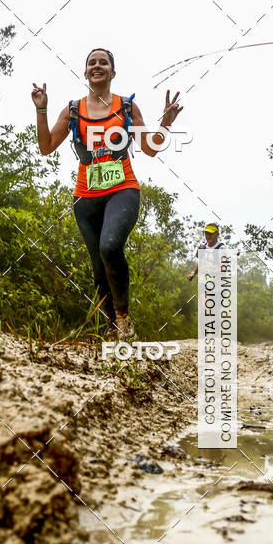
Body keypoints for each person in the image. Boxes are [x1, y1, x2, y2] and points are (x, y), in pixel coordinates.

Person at [32, 48, 183, 338]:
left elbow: (150, 149)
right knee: (98, 265)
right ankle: (110, 329)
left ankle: (124, 319)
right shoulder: (73, 110)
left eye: (103, 62)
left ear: (112, 73)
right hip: (85, 198)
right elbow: (46, 146)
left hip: (122, 189)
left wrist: (165, 123)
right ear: (86, 72)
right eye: (92, 63)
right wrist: (41, 110)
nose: (97, 66)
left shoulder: (126, 108)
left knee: (110, 246)